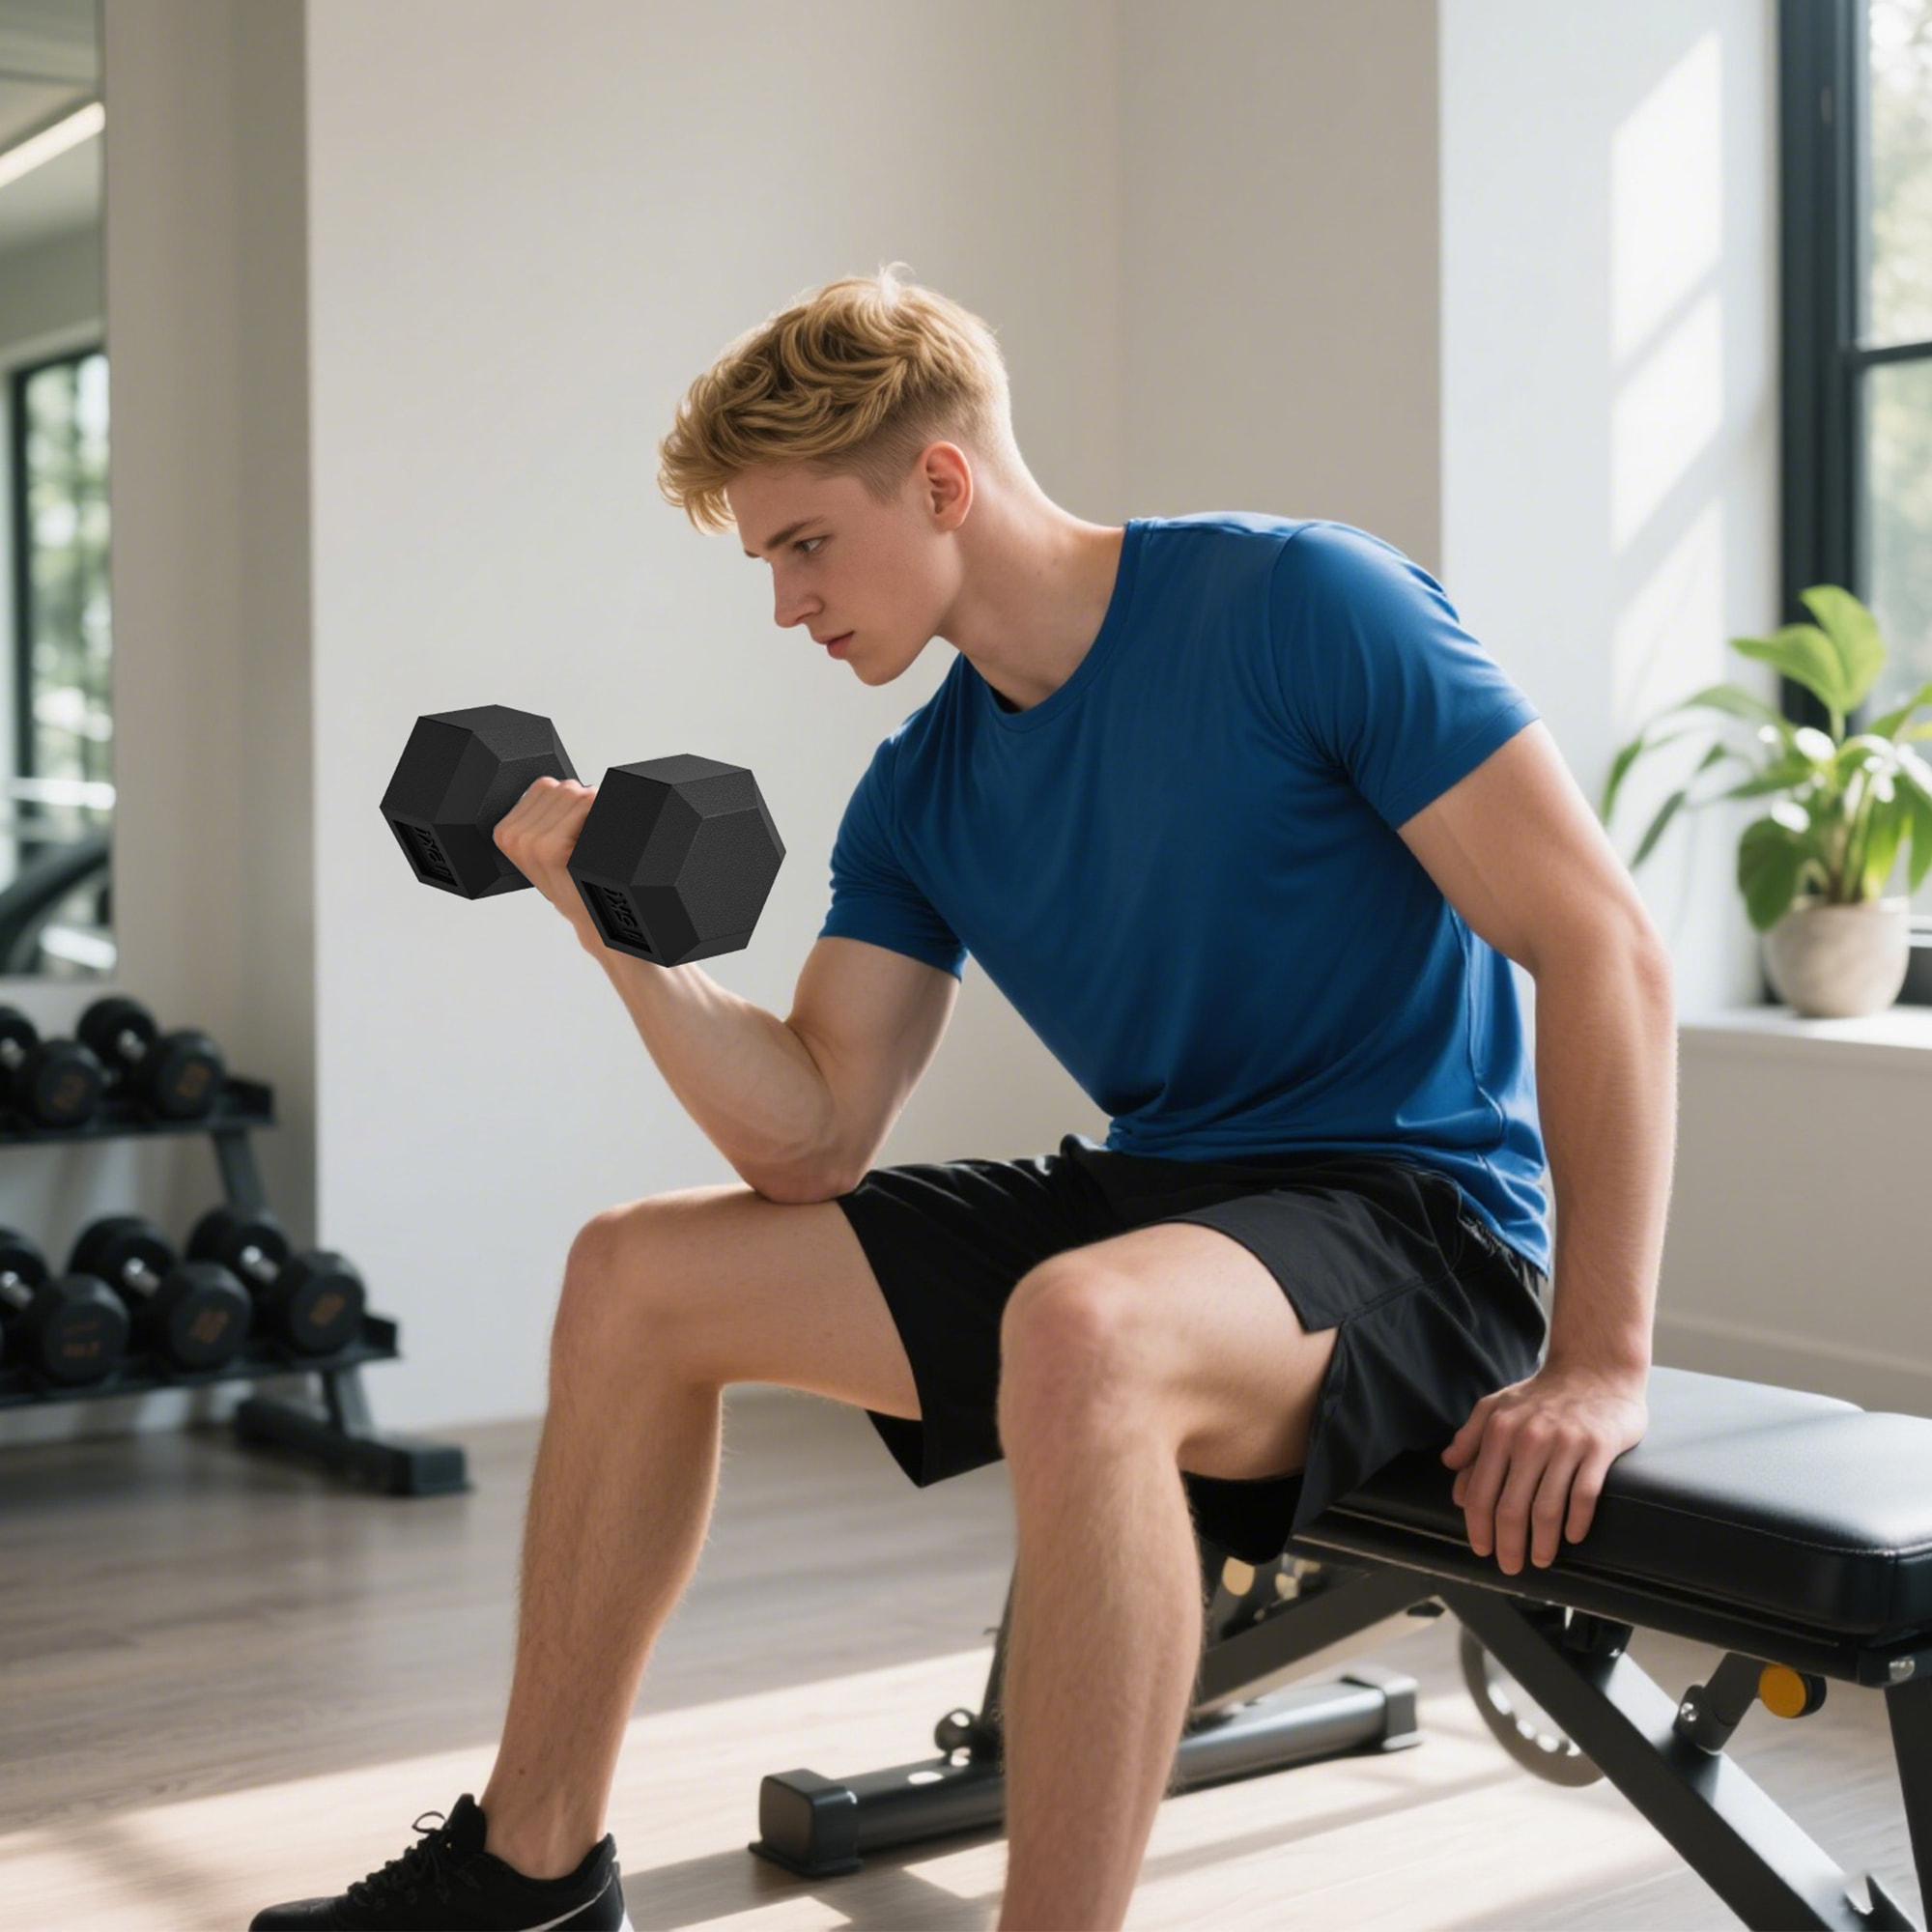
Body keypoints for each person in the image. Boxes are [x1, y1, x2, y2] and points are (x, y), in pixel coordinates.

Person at [252, 266, 1667, 1932]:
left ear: (939, 482)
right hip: (1176, 1210)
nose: (786, 606)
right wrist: (611, 929)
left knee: (1085, 1328)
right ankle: (533, 1871)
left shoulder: (1304, 606)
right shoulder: (922, 788)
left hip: (1417, 1223)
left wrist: (1598, 1361)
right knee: (637, 1276)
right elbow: (810, 1135)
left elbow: (1602, 946)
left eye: (803, 547)